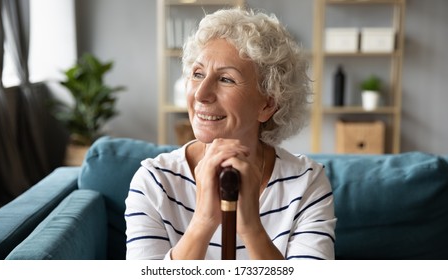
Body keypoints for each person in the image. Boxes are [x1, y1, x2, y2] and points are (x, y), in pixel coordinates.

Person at [125, 7, 336, 260]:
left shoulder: (306, 183)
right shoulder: (154, 182)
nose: (201, 94)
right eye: (198, 74)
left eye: (226, 79)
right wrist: (203, 221)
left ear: (268, 104)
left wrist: (250, 227)